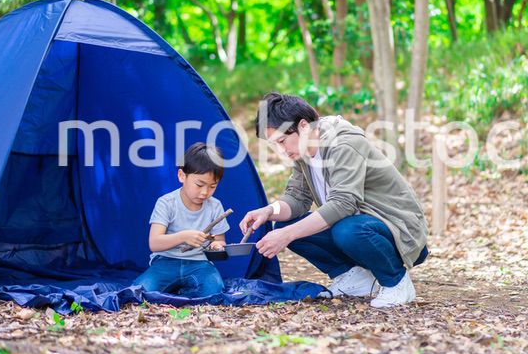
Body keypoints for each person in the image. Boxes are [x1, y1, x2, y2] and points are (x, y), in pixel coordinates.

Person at [239, 93, 429, 308]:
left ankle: (396, 282)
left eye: (282, 141)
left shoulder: (344, 143)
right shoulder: (303, 151)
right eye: (275, 144)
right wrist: (269, 211)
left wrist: (287, 235)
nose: (281, 150)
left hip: (400, 231)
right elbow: (297, 198)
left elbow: (343, 204)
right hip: (361, 227)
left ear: (303, 126)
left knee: (345, 230)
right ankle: (356, 278)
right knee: (284, 224)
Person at [133, 142, 229, 297]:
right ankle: (179, 290)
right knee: (141, 290)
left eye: (212, 186)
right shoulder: (167, 203)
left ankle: (179, 291)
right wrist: (183, 237)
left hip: (200, 264)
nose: (205, 192)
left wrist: (217, 246)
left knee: (214, 289)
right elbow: (154, 243)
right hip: (165, 261)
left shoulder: (215, 206)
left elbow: (219, 240)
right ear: (182, 176)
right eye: (199, 184)